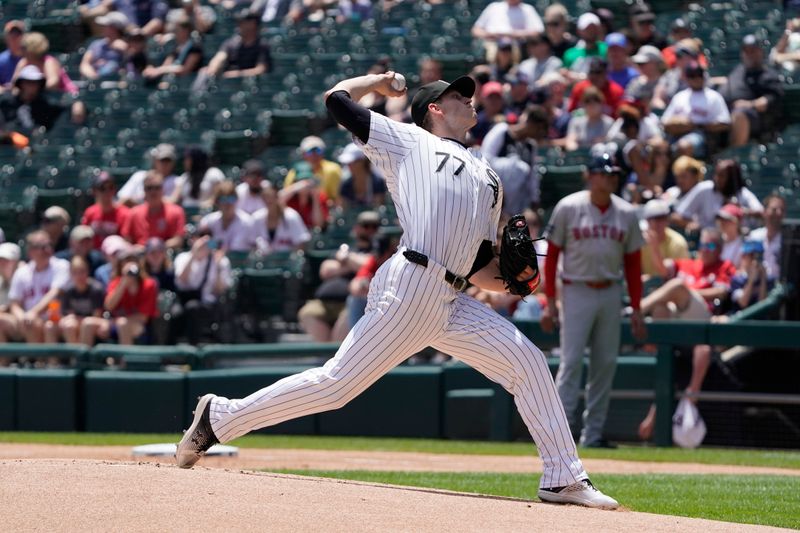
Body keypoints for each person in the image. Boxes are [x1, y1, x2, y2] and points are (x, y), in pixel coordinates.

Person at [177, 71, 620, 510]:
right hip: (412, 284)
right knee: (335, 387)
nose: (469, 100)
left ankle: (563, 478)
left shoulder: (490, 178)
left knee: (528, 362)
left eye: (469, 95)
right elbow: (337, 100)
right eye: (457, 95)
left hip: (451, 297)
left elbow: (479, 264)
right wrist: (377, 81)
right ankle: (221, 418)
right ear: (434, 108)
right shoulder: (409, 141)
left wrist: (515, 283)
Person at [541, 152, 646, 448]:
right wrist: (550, 301)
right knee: (571, 363)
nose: (610, 178)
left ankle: (593, 434)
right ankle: (558, 437)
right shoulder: (569, 207)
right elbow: (551, 258)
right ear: (591, 175)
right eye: (605, 173)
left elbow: (634, 264)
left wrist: (636, 307)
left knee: (605, 364)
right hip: (576, 290)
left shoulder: (626, 213)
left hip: (611, 291)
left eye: (613, 174)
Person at [640, 228, 735, 320]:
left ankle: (637, 309)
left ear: (720, 250)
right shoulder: (687, 263)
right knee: (660, 308)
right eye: (702, 245)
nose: (705, 250)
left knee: (679, 285)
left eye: (710, 246)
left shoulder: (724, 266)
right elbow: (662, 269)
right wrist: (654, 247)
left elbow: (721, 292)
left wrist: (687, 293)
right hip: (679, 306)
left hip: (705, 313)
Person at [3, 231, 70, 343]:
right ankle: (4, 360)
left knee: (33, 323)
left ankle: (42, 360)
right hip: (27, 319)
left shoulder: (61, 266)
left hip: (54, 319)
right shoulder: (22, 272)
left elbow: (54, 294)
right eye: (42, 247)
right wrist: (21, 317)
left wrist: (33, 313)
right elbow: (15, 303)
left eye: (49, 245)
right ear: (30, 251)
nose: (47, 249)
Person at [79, 249, 158, 346]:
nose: (129, 264)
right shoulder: (116, 283)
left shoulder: (149, 284)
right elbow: (109, 306)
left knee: (122, 323)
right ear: (121, 265)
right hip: (114, 322)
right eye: (126, 261)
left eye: (133, 260)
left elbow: (143, 318)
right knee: (88, 323)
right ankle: (84, 360)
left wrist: (115, 322)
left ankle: (125, 361)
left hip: (137, 325)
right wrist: (123, 284)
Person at [482, 104, 549, 215]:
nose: (539, 134)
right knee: (518, 166)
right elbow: (484, 160)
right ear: (531, 124)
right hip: (493, 189)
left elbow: (533, 177)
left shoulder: (530, 146)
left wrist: (534, 201)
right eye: (538, 129)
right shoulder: (502, 131)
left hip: (516, 201)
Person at [720, 35, 784, 147]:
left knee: (739, 114)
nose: (750, 54)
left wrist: (749, 104)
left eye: (753, 50)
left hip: (754, 118)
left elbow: (770, 99)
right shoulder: (738, 71)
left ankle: (736, 152)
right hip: (727, 112)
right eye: (746, 51)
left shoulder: (768, 75)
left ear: (761, 52)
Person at [173, 230, 233, 344]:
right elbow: (181, 280)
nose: (205, 244)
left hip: (209, 304)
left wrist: (217, 265)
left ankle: (194, 352)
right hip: (183, 300)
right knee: (175, 313)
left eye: (209, 241)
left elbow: (219, 290)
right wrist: (194, 254)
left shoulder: (220, 261)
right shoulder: (183, 257)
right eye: (200, 239)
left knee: (193, 308)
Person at [661, 61, 730, 159]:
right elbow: (665, 121)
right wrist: (679, 124)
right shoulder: (679, 96)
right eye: (692, 76)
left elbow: (725, 123)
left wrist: (697, 125)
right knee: (658, 148)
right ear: (686, 78)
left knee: (684, 146)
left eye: (699, 75)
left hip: (703, 136)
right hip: (675, 134)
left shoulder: (714, 96)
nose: (697, 79)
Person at [0, 66, 85, 143]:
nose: (32, 86)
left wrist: (77, 104)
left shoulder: (45, 104)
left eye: (36, 82)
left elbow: (63, 108)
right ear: (21, 84)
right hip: (10, 143)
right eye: (28, 82)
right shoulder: (6, 102)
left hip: (38, 143)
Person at [673, 159, 762, 232]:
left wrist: (740, 210)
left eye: (722, 176)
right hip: (707, 241)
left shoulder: (742, 194)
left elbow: (761, 213)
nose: (717, 179)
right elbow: (676, 216)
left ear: (731, 178)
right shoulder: (704, 188)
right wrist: (690, 224)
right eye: (716, 174)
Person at [45, 256, 105, 344]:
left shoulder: (96, 289)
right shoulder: (68, 290)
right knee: (52, 326)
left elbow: (96, 316)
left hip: (94, 323)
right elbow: (68, 315)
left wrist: (74, 319)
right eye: (75, 273)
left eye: (82, 272)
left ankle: (81, 356)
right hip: (75, 323)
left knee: (86, 324)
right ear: (70, 274)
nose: (79, 276)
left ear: (88, 271)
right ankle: (55, 357)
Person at [121, 172, 187, 249]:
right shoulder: (134, 213)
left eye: (157, 187)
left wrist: (155, 249)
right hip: (139, 256)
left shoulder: (176, 211)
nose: (153, 191)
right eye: (149, 188)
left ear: (163, 189)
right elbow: (127, 239)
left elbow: (178, 240)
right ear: (144, 190)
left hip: (166, 256)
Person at [203, 10, 271, 80]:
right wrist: (213, 68)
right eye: (239, 23)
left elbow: (261, 69)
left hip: (253, 86)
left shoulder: (262, 45)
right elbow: (220, 57)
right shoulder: (231, 43)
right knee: (204, 72)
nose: (239, 26)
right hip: (230, 85)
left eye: (243, 22)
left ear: (253, 24)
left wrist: (237, 74)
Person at [471, 0, 544, 60]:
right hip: (492, 45)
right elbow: (475, 30)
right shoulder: (494, 7)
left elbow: (538, 32)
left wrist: (512, 34)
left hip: (518, 46)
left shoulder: (527, 9)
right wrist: (489, 35)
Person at [142, 13, 204, 81]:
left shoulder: (195, 47)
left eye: (177, 30)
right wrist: (154, 70)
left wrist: (160, 70)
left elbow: (185, 69)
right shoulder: (176, 47)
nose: (175, 33)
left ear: (185, 31)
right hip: (173, 81)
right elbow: (167, 64)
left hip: (188, 82)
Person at [11, 32, 78, 95]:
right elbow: (15, 83)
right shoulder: (23, 62)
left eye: (24, 48)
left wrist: (32, 90)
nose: (21, 50)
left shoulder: (49, 62)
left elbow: (53, 83)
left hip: (65, 96)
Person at [251, 183, 310, 253]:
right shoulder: (257, 218)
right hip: (263, 261)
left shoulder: (291, 216)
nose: (268, 200)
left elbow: (301, 242)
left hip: (287, 260)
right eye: (265, 197)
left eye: (271, 197)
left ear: (277, 198)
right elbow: (250, 243)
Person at [198, 180, 255, 252]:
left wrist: (214, 244)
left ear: (236, 200)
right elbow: (202, 246)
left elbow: (236, 249)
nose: (227, 204)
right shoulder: (208, 221)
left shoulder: (246, 222)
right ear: (217, 202)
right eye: (223, 200)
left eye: (231, 199)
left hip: (240, 262)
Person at [639, 199, 689, 280]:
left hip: (671, 289)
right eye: (653, 218)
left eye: (662, 218)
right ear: (647, 221)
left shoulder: (678, 243)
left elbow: (670, 275)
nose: (658, 223)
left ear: (667, 220)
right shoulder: (639, 241)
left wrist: (654, 248)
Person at [282, 136, 342, 202]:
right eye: (310, 152)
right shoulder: (294, 171)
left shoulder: (333, 169)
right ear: (303, 154)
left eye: (318, 151)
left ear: (323, 152)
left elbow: (336, 199)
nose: (314, 155)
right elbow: (285, 196)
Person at [81, 171, 131, 250]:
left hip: (115, 255)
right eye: (102, 188)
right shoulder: (90, 212)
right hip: (93, 256)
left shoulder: (125, 214)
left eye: (110, 187)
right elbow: (83, 238)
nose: (107, 191)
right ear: (94, 191)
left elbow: (127, 241)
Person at [79, 12, 129, 81]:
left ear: (115, 28)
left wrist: (125, 50)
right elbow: (85, 64)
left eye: (107, 26)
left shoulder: (127, 46)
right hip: (95, 81)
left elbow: (131, 68)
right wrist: (93, 76)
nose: (103, 28)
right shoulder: (96, 44)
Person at [337, 143, 387, 209]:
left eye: (353, 162)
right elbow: (343, 209)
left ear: (362, 161)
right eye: (348, 163)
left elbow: (379, 207)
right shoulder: (346, 185)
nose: (349, 166)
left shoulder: (377, 182)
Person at [748, 193, 785, 280]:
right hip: (756, 284)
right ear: (764, 212)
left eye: (782, 210)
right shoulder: (753, 237)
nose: (778, 213)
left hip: (779, 286)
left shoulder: (788, 240)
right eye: (774, 209)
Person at [0, 21, 24, 90]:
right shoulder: (1, 59)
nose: (14, 37)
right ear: (6, 37)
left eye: (18, 33)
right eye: (11, 33)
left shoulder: (31, 57)